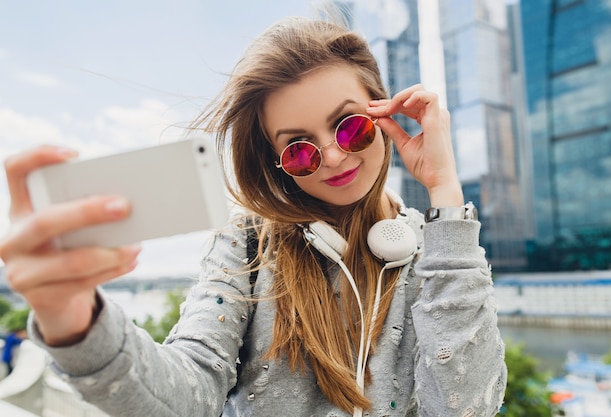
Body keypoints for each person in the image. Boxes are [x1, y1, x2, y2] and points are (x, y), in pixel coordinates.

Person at [0, 16, 507, 417]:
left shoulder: (440, 249)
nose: (331, 156)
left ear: (384, 115)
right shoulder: (247, 243)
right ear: (276, 164)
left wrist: (444, 190)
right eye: (299, 150)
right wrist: (73, 320)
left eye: (350, 127)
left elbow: (468, 408)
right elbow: (188, 393)